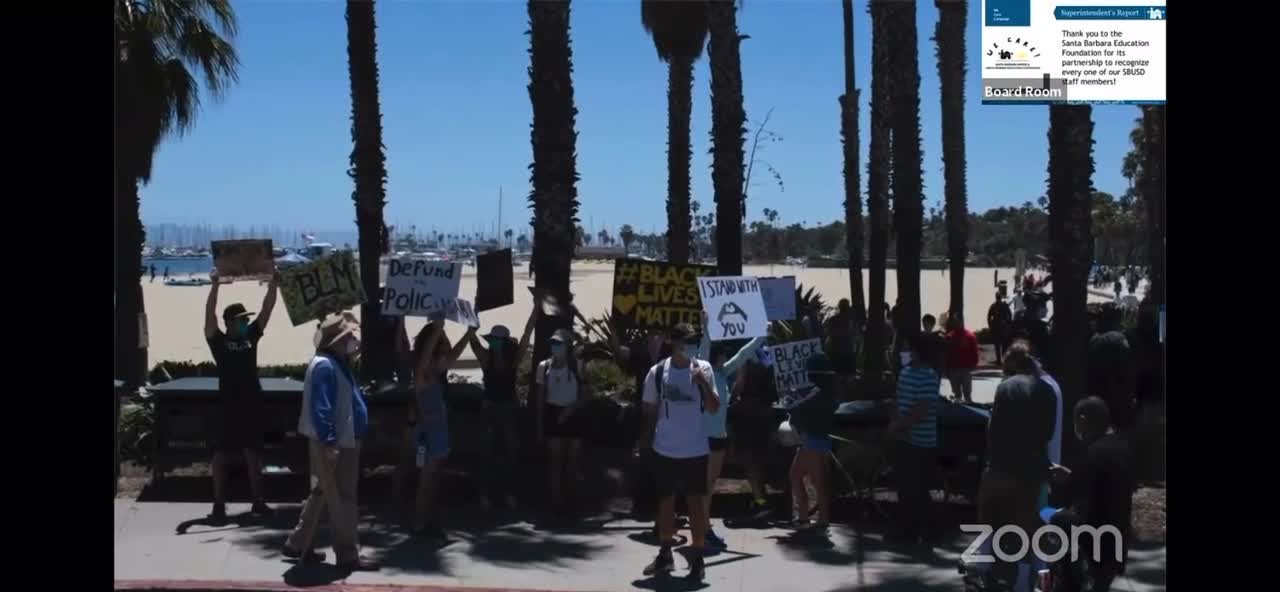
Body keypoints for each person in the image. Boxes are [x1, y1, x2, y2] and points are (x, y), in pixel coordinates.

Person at [285, 313, 375, 571]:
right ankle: (347, 555)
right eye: (348, 336)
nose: (353, 339)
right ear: (337, 340)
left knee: (323, 493)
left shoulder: (336, 361)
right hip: (336, 442)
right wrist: (330, 443)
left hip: (343, 439)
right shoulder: (325, 365)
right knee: (342, 499)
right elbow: (321, 408)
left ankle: (298, 542)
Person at [971, 343, 1058, 589]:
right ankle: (1022, 580)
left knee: (988, 513)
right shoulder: (1047, 390)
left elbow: (993, 428)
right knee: (1027, 524)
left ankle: (983, 567)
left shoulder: (1005, 387)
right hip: (1031, 467)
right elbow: (1048, 432)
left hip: (1001, 464)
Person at [640, 323, 720, 581]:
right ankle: (665, 554)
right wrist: (646, 442)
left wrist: (703, 384)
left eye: (694, 341)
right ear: (674, 343)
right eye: (686, 341)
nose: (691, 346)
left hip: (695, 450)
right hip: (664, 449)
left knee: (696, 504)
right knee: (666, 503)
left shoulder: (704, 368)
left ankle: (697, 557)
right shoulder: (657, 372)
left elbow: (714, 408)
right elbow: (650, 411)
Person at [203, 269, 279, 522]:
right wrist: (215, 286)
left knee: (253, 454)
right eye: (240, 320)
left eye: (246, 319)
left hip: (251, 403)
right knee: (220, 455)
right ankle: (218, 504)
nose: (245, 323)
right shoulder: (219, 341)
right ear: (229, 322)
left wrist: (274, 286)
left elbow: (267, 311)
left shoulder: (251, 337)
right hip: (228, 404)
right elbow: (209, 317)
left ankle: (258, 501)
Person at [695, 313, 767, 549]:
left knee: (709, 486)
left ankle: (702, 527)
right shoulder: (705, 372)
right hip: (703, 438)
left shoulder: (724, 374)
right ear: (715, 357)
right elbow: (703, 350)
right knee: (703, 487)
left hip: (719, 438)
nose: (727, 358)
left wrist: (761, 335)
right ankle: (704, 530)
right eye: (723, 355)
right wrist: (705, 327)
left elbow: (743, 354)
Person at [1049, 398, 1135, 592]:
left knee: (1055, 517)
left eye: (1075, 422)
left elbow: (1085, 504)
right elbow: (1105, 486)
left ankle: (1069, 581)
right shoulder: (1122, 448)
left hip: (1098, 542)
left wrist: (1067, 484)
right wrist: (1072, 477)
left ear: (1082, 419)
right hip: (1119, 540)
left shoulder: (1093, 453)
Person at [466, 305, 539, 508]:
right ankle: (485, 494)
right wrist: (472, 315)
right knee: (486, 451)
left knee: (510, 450)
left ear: (504, 343)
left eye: (498, 340)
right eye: (494, 340)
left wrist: (535, 309)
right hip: (490, 406)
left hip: (508, 406)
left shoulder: (513, 360)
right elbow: (472, 340)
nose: (496, 343)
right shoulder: (486, 358)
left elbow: (526, 335)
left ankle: (507, 492)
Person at [410, 319, 474, 538]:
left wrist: (468, 333)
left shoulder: (435, 374)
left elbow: (453, 355)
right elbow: (426, 357)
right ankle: (419, 524)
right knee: (425, 481)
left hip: (439, 432)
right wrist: (437, 330)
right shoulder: (422, 375)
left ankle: (428, 522)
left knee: (434, 479)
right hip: (426, 435)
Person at [890, 336, 942, 544]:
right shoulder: (905, 372)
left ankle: (932, 530)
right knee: (904, 488)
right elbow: (898, 400)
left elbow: (921, 410)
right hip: (903, 439)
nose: (907, 351)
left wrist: (900, 425)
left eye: (909, 348)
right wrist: (894, 423)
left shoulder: (929, 376)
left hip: (921, 442)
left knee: (918, 489)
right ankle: (907, 530)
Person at [783, 354, 839, 531]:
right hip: (817, 440)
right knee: (806, 478)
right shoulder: (827, 391)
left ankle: (814, 519)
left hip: (813, 440)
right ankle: (808, 518)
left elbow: (797, 408)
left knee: (814, 480)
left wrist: (789, 398)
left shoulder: (820, 393)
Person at [535, 328, 589, 512]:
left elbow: (585, 395)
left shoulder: (577, 365)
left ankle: (572, 498)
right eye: (553, 343)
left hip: (572, 414)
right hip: (552, 412)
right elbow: (540, 398)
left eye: (559, 343)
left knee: (573, 460)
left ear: (567, 346)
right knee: (555, 460)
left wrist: (570, 410)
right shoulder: (544, 367)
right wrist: (540, 426)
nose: (555, 347)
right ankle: (555, 499)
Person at [729, 354, 780, 517]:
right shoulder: (771, 357)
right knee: (759, 459)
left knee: (750, 462)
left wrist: (731, 398)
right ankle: (761, 500)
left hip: (747, 412)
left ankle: (761, 503)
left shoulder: (745, 359)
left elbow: (739, 385)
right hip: (767, 411)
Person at [1088, 305, 1136, 435]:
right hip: (1114, 399)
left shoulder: (1093, 339)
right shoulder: (1117, 339)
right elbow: (1127, 371)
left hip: (1095, 396)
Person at [944, 315, 979, 404]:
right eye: (955, 322)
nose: (957, 323)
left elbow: (974, 351)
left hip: (965, 369)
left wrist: (974, 363)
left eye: (958, 321)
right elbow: (946, 353)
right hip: (953, 368)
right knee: (957, 395)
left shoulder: (969, 336)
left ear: (962, 322)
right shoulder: (949, 337)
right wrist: (946, 368)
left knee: (967, 394)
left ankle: (970, 409)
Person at [824, 299, 858, 377]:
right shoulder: (851, 320)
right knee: (849, 377)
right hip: (848, 353)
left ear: (839, 307)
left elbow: (829, 334)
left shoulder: (833, 319)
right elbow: (855, 336)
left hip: (835, 353)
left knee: (837, 377)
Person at [987, 291, 1013, 363]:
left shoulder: (996, 305)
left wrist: (990, 325)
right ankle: (1000, 359)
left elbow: (989, 316)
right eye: (998, 297)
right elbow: (1009, 315)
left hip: (999, 326)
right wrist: (1008, 323)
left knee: (1000, 343)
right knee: (1000, 343)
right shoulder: (998, 305)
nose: (998, 298)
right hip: (999, 326)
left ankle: (1001, 359)